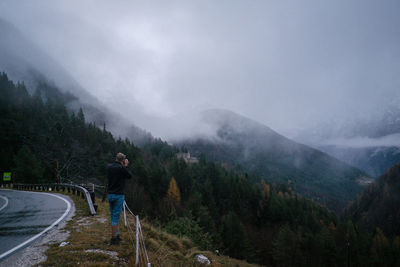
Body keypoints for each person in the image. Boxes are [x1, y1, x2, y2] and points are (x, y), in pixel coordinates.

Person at [107, 152, 132, 245]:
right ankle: (113, 239)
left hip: (110, 194)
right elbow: (129, 175)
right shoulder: (122, 168)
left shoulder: (109, 167)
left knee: (113, 215)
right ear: (122, 160)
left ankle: (116, 235)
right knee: (116, 216)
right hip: (118, 195)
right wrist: (126, 165)